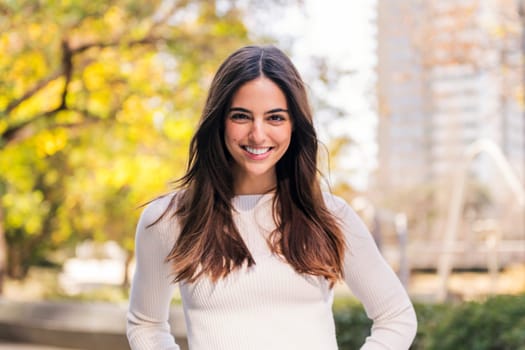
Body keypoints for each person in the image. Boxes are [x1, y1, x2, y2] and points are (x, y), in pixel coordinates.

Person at [126, 45, 417, 350]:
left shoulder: (329, 215)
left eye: (275, 118)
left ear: (295, 125)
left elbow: (396, 316)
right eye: (241, 116)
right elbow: (146, 324)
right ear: (219, 120)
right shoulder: (169, 219)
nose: (258, 134)